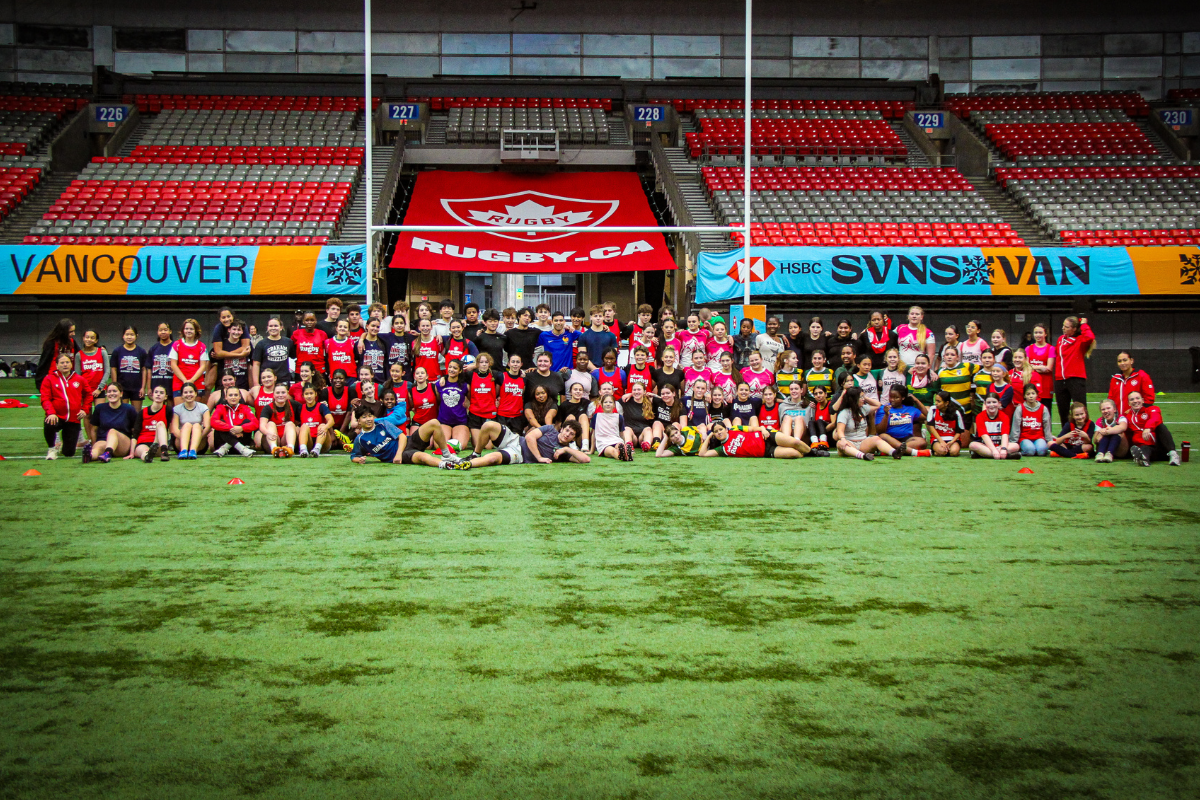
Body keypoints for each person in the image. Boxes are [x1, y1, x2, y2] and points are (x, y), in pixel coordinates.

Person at [350, 409, 468, 469]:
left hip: (407, 442)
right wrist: (358, 460)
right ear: (359, 421)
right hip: (405, 454)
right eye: (364, 417)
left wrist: (398, 454)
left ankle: (447, 455)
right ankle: (447, 465)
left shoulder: (382, 423)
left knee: (434, 423)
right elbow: (354, 456)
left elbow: (401, 436)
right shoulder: (360, 440)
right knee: (423, 457)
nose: (369, 419)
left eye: (370, 416)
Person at [40, 352, 88, 460]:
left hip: (73, 419)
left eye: (67, 362)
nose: (65, 365)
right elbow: (45, 398)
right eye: (62, 363)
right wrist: (51, 413)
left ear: (71, 364)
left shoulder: (79, 379)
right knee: (49, 422)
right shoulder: (49, 379)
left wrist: (85, 409)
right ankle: (52, 448)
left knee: (69, 453)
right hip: (56, 416)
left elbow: (88, 395)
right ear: (57, 365)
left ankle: (64, 447)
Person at [1054, 315, 1095, 427]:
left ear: (1074, 329)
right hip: (1060, 380)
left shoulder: (1080, 340)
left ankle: (1084, 434)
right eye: (1063, 326)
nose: (1063, 328)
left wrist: (1083, 324)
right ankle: (1066, 436)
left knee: (1081, 409)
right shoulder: (1060, 340)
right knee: (1063, 411)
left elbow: (1090, 337)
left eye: (1066, 327)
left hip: (1075, 379)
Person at [834, 386, 896, 461]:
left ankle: (894, 452)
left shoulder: (863, 408)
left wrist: (865, 397)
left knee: (876, 438)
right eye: (861, 397)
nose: (863, 399)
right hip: (850, 443)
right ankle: (862, 456)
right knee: (839, 443)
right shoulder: (844, 413)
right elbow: (840, 430)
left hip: (863, 442)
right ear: (854, 399)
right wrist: (843, 440)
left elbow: (878, 405)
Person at [699, 419, 809, 459]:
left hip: (765, 437)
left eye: (721, 429)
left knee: (795, 442)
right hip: (766, 451)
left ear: (726, 429)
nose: (719, 433)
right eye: (716, 432)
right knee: (793, 453)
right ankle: (807, 453)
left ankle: (814, 452)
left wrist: (763, 429)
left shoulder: (735, 428)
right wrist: (708, 436)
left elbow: (752, 428)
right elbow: (702, 454)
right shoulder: (722, 450)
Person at [1126, 390, 1181, 466]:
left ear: (1142, 400)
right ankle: (1144, 459)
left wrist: (1148, 428)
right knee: (1144, 448)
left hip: (1161, 446)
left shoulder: (1152, 409)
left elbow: (1156, 418)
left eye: (1137, 398)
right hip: (1148, 448)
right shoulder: (1127, 416)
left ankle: (1173, 453)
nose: (1135, 401)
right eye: (1132, 399)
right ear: (1128, 403)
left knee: (1160, 426)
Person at [75, 330, 110, 442]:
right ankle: (91, 441)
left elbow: (107, 371)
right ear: (83, 338)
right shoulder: (79, 355)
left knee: (100, 414)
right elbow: (77, 375)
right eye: (87, 337)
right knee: (87, 415)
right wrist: (84, 391)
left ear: (96, 340)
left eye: (92, 338)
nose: (89, 339)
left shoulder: (102, 352)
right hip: (85, 391)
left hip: (99, 390)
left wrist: (100, 388)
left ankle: (100, 439)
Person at [208, 384, 258, 458]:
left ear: (239, 397)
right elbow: (213, 422)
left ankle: (225, 448)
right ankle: (242, 449)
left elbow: (255, 423)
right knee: (220, 422)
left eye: (235, 395)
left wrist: (241, 428)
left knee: (247, 421)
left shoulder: (245, 408)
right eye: (230, 395)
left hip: (241, 441)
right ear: (226, 397)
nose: (233, 397)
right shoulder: (220, 407)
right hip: (222, 443)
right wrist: (231, 428)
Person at [170, 319, 209, 405]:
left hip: (196, 382)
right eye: (186, 329)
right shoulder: (177, 344)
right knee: (179, 411)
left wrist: (191, 380)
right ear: (183, 330)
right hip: (179, 382)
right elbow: (173, 365)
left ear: (196, 331)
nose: (188, 331)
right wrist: (185, 380)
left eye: (191, 329)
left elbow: (203, 366)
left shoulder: (202, 346)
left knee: (195, 411)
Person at [110, 325, 148, 411]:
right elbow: (113, 369)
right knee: (122, 413)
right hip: (122, 387)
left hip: (136, 388)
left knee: (136, 414)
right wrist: (115, 386)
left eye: (132, 334)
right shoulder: (117, 351)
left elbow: (144, 369)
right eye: (127, 334)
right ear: (123, 336)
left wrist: (143, 387)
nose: (129, 337)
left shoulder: (141, 351)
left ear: (136, 336)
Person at [970, 394, 1020, 460]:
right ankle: (1006, 456)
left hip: (1000, 445)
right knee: (972, 445)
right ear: (985, 404)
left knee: (1016, 446)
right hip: (985, 445)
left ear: (999, 404)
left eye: (994, 402)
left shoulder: (1004, 416)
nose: (991, 405)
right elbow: (984, 435)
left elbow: (1005, 435)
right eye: (988, 402)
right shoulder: (980, 417)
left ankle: (983, 454)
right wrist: (993, 450)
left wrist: (1003, 448)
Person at [435, 359, 471, 450]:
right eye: (450, 367)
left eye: (455, 368)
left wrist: (467, 404)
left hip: (460, 421)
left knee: (460, 446)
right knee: (440, 446)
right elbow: (438, 401)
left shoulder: (465, 386)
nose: (451, 369)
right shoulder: (440, 384)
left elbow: (470, 400)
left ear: (460, 371)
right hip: (444, 421)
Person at [1107, 351, 1155, 419]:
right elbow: (1110, 399)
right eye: (1119, 361)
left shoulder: (1142, 376)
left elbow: (1149, 399)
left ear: (1131, 361)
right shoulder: (1115, 379)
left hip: (1136, 418)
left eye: (1125, 360)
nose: (1122, 363)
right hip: (1119, 420)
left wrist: (1133, 410)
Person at [132, 385, 173, 462]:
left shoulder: (168, 410)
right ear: (152, 395)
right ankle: (147, 457)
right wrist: (131, 452)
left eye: (161, 393)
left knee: (160, 423)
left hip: (157, 442)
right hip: (143, 442)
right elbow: (135, 434)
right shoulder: (142, 412)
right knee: (144, 451)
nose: (158, 394)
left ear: (165, 397)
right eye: (156, 392)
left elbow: (171, 429)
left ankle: (164, 452)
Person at [1010, 384, 1052, 457]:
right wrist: (1014, 442)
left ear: (1037, 395)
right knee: (1030, 451)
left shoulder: (1043, 408)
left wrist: (1049, 441)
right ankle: (1023, 450)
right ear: (1024, 396)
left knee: (1041, 451)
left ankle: (1036, 448)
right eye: (1028, 394)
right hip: (1025, 438)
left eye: (1033, 393)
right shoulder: (1020, 409)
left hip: (1039, 437)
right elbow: (1016, 426)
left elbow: (1047, 426)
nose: (1031, 396)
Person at [170, 382, 209, 459]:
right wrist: (187, 439)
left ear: (195, 393)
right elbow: (174, 430)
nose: (188, 394)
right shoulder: (176, 409)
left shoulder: (203, 407)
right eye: (185, 392)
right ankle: (184, 450)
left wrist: (195, 439)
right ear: (182, 395)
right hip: (181, 441)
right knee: (187, 425)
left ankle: (193, 450)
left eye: (191, 392)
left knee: (196, 425)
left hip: (199, 442)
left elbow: (207, 427)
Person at [523, 419, 590, 464]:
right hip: (517, 444)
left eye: (571, 434)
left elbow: (586, 459)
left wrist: (566, 449)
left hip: (520, 457)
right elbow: (529, 437)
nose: (567, 435)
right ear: (561, 429)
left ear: (574, 439)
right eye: (567, 430)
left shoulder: (564, 453)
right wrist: (539, 458)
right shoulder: (550, 429)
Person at [591, 393, 635, 460]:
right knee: (613, 451)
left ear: (614, 405)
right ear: (601, 404)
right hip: (603, 444)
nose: (608, 404)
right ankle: (625, 457)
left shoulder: (619, 417)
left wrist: (624, 442)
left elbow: (621, 433)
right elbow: (594, 434)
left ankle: (626, 452)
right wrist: (592, 450)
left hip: (616, 440)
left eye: (610, 402)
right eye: (605, 402)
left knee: (620, 446)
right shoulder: (596, 416)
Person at [35, 318, 77, 387]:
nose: (73, 334)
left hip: (69, 378)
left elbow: (82, 354)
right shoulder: (51, 343)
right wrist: (39, 383)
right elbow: (43, 363)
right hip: (54, 379)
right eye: (70, 332)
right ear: (63, 332)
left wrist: (98, 349)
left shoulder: (72, 342)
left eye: (73, 331)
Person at [624, 381, 666, 452]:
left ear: (644, 392)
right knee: (627, 428)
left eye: (639, 390)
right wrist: (629, 395)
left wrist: (654, 395)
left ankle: (647, 445)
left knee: (648, 429)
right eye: (634, 390)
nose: (636, 392)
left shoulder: (650, 402)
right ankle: (628, 446)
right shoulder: (627, 401)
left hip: (643, 436)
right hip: (632, 435)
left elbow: (664, 400)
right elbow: (613, 402)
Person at [258, 384, 298, 456]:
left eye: (283, 392)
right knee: (270, 423)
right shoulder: (268, 408)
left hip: (286, 437)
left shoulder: (294, 404)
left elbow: (307, 412)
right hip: (273, 437)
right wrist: (267, 433)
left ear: (287, 393)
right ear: (273, 395)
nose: (280, 395)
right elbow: (262, 426)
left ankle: (290, 449)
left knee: (290, 424)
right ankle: (274, 449)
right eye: (277, 393)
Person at [295, 383, 333, 457]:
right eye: (306, 394)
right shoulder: (300, 408)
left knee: (322, 425)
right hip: (308, 441)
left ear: (315, 394)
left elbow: (331, 420)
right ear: (303, 395)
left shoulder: (321, 406)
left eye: (311, 393)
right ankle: (303, 450)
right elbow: (296, 423)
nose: (309, 396)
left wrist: (325, 427)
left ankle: (317, 449)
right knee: (303, 426)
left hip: (322, 441)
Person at [1025, 323, 1056, 414]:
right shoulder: (1028, 348)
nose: (1038, 335)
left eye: (1040, 332)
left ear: (1045, 334)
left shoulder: (1051, 349)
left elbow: (1048, 368)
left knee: (1046, 412)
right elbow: (1026, 367)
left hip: (1046, 385)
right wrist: (1041, 367)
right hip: (1032, 384)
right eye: (1036, 332)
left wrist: (1033, 367)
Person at [926, 391, 968, 456]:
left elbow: (959, 432)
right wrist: (941, 441)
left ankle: (949, 451)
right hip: (937, 439)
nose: (936, 403)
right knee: (942, 451)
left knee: (953, 452)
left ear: (946, 403)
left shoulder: (956, 413)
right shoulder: (933, 409)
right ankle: (938, 452)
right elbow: (931, 427)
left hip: (952, 439)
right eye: (935, 401)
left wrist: (951, 442)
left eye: (938, 401)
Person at [291, 311, 328, 378]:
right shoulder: (296, 334)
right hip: (301, 369)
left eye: (312, 320)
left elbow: (327, 351)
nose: (309, 322)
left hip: (318, 369)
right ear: (303, 321)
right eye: (307, 320)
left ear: (316, 321)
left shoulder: (322, 334)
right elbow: (291, 350)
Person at [557, 382, 593, 451]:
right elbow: (558, 424)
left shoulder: (587, 403)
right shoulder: (564, 405)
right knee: (571, 417)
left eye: (580, 390)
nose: (578, 392)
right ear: (570, 392)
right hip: (567, 438)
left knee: (583, 416)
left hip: (581, 436)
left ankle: (585, 445)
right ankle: (572, 444)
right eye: (575, 389)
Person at [1092, 398, 1129, 462]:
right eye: (1103, 409)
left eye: (1108, 408)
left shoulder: (1121, 418)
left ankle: (1110, 453)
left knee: (1118, 432)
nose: (1106, 411)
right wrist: (1100, 434)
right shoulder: (1100, 421)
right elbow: (1095, 440)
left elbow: (1123, 427)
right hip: (1104, 448)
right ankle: (1100, 453)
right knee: (1103, 434)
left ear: (1114, 409)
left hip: (1120, 450)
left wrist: (1108, 431)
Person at [146, 322, 176, 398]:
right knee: (158, 407)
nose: (163, 332)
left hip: (171, 384)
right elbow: (149, 369)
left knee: (170, 408)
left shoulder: (175, 347)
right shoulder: (153, 348)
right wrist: (149, 388)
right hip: (156, 384)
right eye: (160, 330)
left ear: (170, 331)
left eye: (165, 330)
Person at [356, 318, 389, 383]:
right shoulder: (359, 344)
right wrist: (361, 339)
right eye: (373, 326)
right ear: (367, 326)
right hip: (364, 381)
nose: (375, 328)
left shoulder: (384, 342)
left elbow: (386, 363)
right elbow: (357, 362)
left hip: (380, 381)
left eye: (377, 327)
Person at [409, 367, 439, 434]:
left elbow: (439, 403)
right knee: (413, 441)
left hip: (433, 421)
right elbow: (412, 407)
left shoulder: (433, 387)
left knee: (432, 443)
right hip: (418, 421)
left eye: (422, 373)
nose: (420, 375)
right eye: (417, 373)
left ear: (427, 376)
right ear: (414, 377)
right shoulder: (411, 391)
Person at [806, 385, 832, 450]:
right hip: (819, 435)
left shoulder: (831, 405)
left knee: (819, 421)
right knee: (811, 422)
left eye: (820, 393)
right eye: (816, 394)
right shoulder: (815, 406)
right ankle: (814, 443)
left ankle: (824, 442)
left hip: (829, 433)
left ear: (826, 394)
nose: (818, 395)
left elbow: (834, 424)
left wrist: (822, 429)